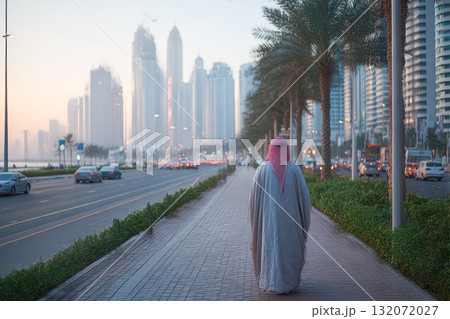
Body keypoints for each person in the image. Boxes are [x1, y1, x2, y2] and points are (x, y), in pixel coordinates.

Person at [249, 136, 311, 294]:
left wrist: (256, 222)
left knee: (270, 250)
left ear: (270, 149)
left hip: (267, 225)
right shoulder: (295, 170)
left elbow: (253, 202)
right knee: (290, 251)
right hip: (292, 226)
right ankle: (287, 284)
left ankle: (271, 282)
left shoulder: (262, 170)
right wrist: (304, 222)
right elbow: (305, 200)